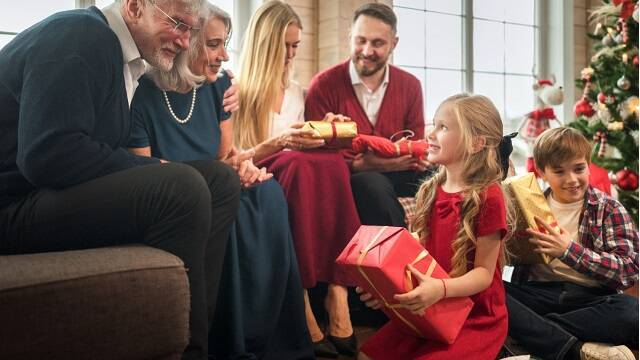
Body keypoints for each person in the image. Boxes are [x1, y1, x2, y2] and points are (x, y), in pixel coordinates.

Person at [0, 1, 241, 359]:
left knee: (219, 180)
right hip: (12, 206)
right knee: (182, 187)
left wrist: (224, 79)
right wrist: (153, 168)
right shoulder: (80, 35)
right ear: (134, 5)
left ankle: (192, 335)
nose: (185, 40)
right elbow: (46, 154)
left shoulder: (125, 59)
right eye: (177, 24)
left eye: (190, 30)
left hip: (44, 193)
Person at [128, 4, 315, 359]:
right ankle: (233, 341)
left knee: (269, 193)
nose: (224, 55)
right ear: (186, 43)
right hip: (180, 196)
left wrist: (244, 167)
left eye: (224, 43)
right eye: (214, 45)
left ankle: (278, 338)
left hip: (220, 183)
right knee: (227, 209)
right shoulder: (143, 94)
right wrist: (224, 173)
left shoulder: (220, 87)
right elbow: (144, 170)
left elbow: (226, 157)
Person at [233, 1, 362, 357]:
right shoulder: (235, 90)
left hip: (292, 172)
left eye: (296, 46)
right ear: (265, 45)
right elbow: (234, 158)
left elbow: (302, 145)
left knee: (332, 161)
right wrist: (278, 142)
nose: (291, 54)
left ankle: (338, 290)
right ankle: (301, 299)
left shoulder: (296, 92)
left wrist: (325, 128)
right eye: (285, 46)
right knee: (299, 164)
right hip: (255, 173)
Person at [356, 94, 514, 359]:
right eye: (434, 124)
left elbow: (484, 275)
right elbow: (417, 257)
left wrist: (440, 290)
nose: (430, 134)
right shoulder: (430, 189)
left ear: (476, 143)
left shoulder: (489, 195)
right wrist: (383, 288)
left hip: (474, 317)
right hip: (429, 310)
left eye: (443, 127)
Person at [505, 127, 639, 360]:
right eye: (559, 172)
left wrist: (568, 250)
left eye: (579, 169)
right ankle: (576, 348)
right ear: (542, 172)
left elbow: (628, 270)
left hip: (590, 299)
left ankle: (536, 336)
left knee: (634, 313)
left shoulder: (608, 208)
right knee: (489, 293)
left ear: (588, 165)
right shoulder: (526, 205)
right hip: (538, 295)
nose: (572, 180)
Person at [305, 3, 429, 228]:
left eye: (378, 43)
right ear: (350, 36)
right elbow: (318, 158)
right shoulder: (323, 86)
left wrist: (381, 162)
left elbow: (413, 147)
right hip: (351, 179)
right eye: (360, 40)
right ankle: (401, 258)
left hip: (400, 173)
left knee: (449, 175)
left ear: (394, 43)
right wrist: (360, 166)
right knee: (371, 185)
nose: (367, 51)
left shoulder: (410, 86)